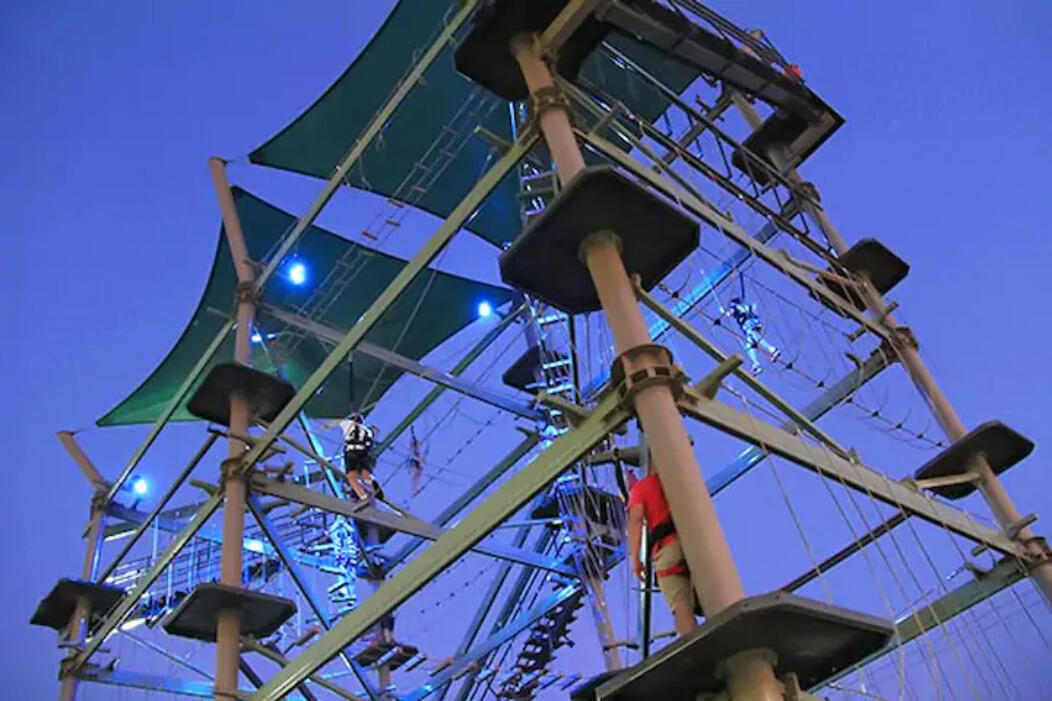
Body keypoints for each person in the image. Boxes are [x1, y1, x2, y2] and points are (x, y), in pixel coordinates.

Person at [626, 461, 698, 636]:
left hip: (668, 548)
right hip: (694, 542)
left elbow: (635, 522)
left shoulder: (642, 488)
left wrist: (635, 560)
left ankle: (694, 645)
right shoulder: (678, 479)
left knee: (680, 605)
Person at [321, 412, 384, 501]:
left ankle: (363, 497)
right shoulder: (366, 430)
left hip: (351, 452)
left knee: (352, 478)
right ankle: (373, 486)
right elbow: (373, 435)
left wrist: (326, 426)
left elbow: (337, 422)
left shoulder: (348, 423)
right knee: (365, 475)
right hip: (364, 452)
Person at [722, 297, 780, 375]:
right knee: (749, 344)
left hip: (748, 325)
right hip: (753, 323)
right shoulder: (746, 306)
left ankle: (772, 350)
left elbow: (730, 313)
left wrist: (723, 311)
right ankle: (755, 364)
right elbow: (754, 311)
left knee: (755, 338)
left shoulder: (735, 307)